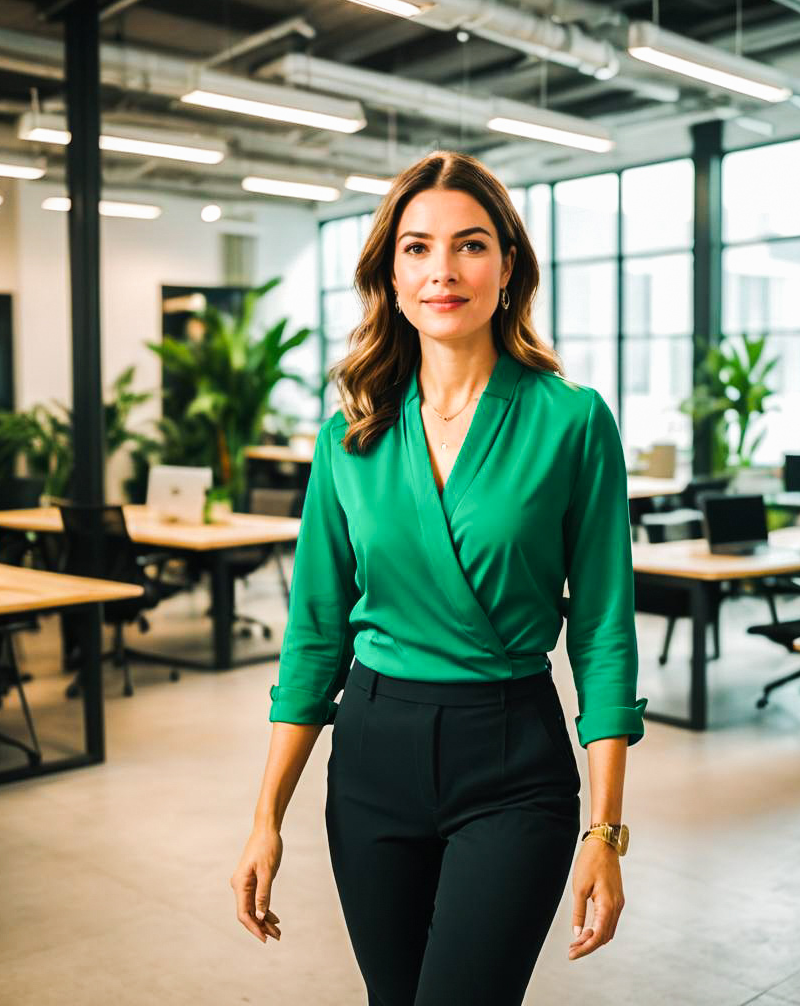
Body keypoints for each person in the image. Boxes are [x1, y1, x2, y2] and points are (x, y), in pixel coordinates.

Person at [231, 151, 647, 1005]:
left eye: (470, 245)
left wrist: (605, 828)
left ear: (508, 267)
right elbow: (315, 634)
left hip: (511, 758)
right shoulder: (351, 433)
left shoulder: (573, 421)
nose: (443, 271)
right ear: (392, 270)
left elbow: (604, 632)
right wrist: (266, 816)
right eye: (417, 248)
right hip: (373, 759)